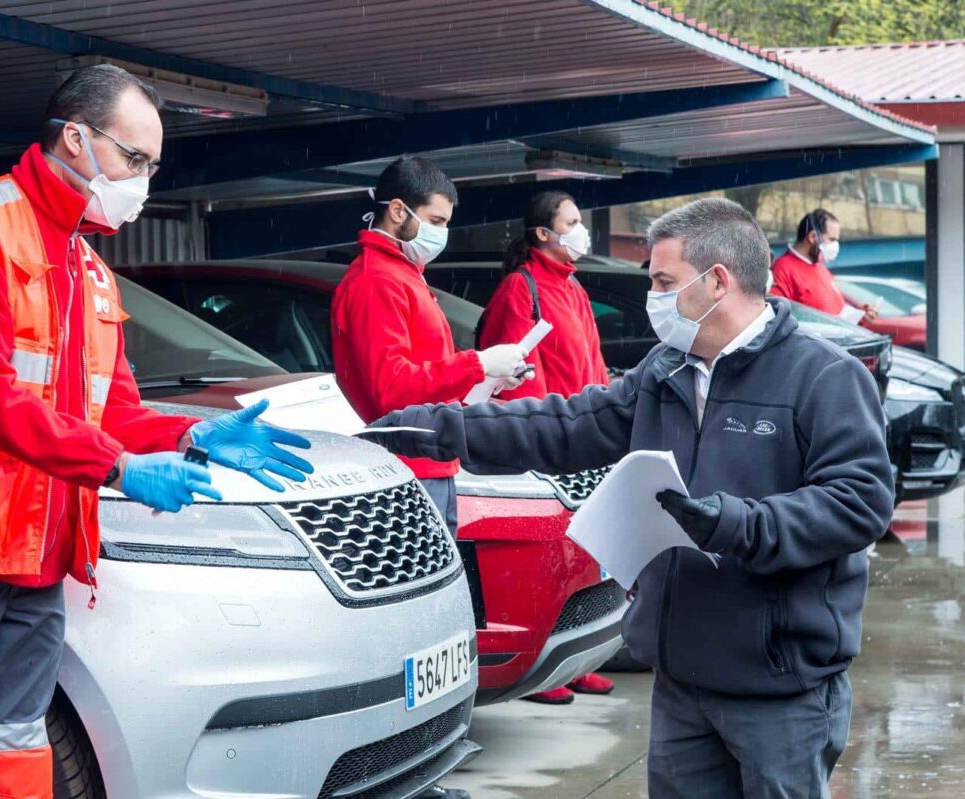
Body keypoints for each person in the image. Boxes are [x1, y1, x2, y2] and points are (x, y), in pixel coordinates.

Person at [0, 64, 313, 799]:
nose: (143, 182)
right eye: (134, 158)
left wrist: (190, 436)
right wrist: (117, 471)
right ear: (76, 138)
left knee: (18, 733)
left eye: (152, 165)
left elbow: (110, 411)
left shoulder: (89, 268)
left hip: (39, 551)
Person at [367, 198, 893, 799]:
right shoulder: (665, 371)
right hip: (680, 681)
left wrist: (735, 524)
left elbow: (858, 503)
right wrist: (436, 427)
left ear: (717, 282)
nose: (656, 299)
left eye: (665, 282)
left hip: (778, 690)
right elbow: (565, 425)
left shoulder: (823, 377)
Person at [331, 155, 531, 535]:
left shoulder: (401, 275)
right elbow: (391, 390)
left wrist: (488, 381)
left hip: (426, 461)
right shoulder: (378, 280)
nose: (441, 233)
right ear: (396, 210)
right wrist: (479, 364)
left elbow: (423, 373)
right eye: (436, 221)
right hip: (409, 467)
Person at [477, 191, 614, 705]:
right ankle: (547, 667)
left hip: (585, 441)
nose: (581, 230)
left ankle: (574, 659)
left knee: (588, 553)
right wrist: (548, 439)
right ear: (543, 234)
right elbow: (516, 374)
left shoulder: (571, 287)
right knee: (554, 556)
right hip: (554, 444)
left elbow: (593, 362)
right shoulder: (522, 287)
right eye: (572, 222)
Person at [770, 208, 878, 325]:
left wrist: (861, 316)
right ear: (812, 237)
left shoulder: (820, 267)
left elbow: (836, 311)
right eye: (832, 239)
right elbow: (779, 322)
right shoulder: (781, 270)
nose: (835, 246)